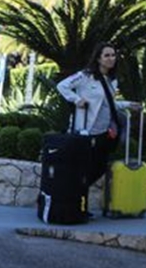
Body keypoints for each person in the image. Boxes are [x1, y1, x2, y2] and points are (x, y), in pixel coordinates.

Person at [56, 42, 141, 186]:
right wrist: (76, 99)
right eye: (106, 55)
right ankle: (76, 202)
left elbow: (108, 104)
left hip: (102, 131)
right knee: (83, 169)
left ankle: (79, 196)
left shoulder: (111, 80)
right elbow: (62, 86)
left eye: (113, 55)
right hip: (85, 130)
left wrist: (128, 104)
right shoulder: (85, 76)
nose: (111, 58)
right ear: (98, 59)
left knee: (100, 167)